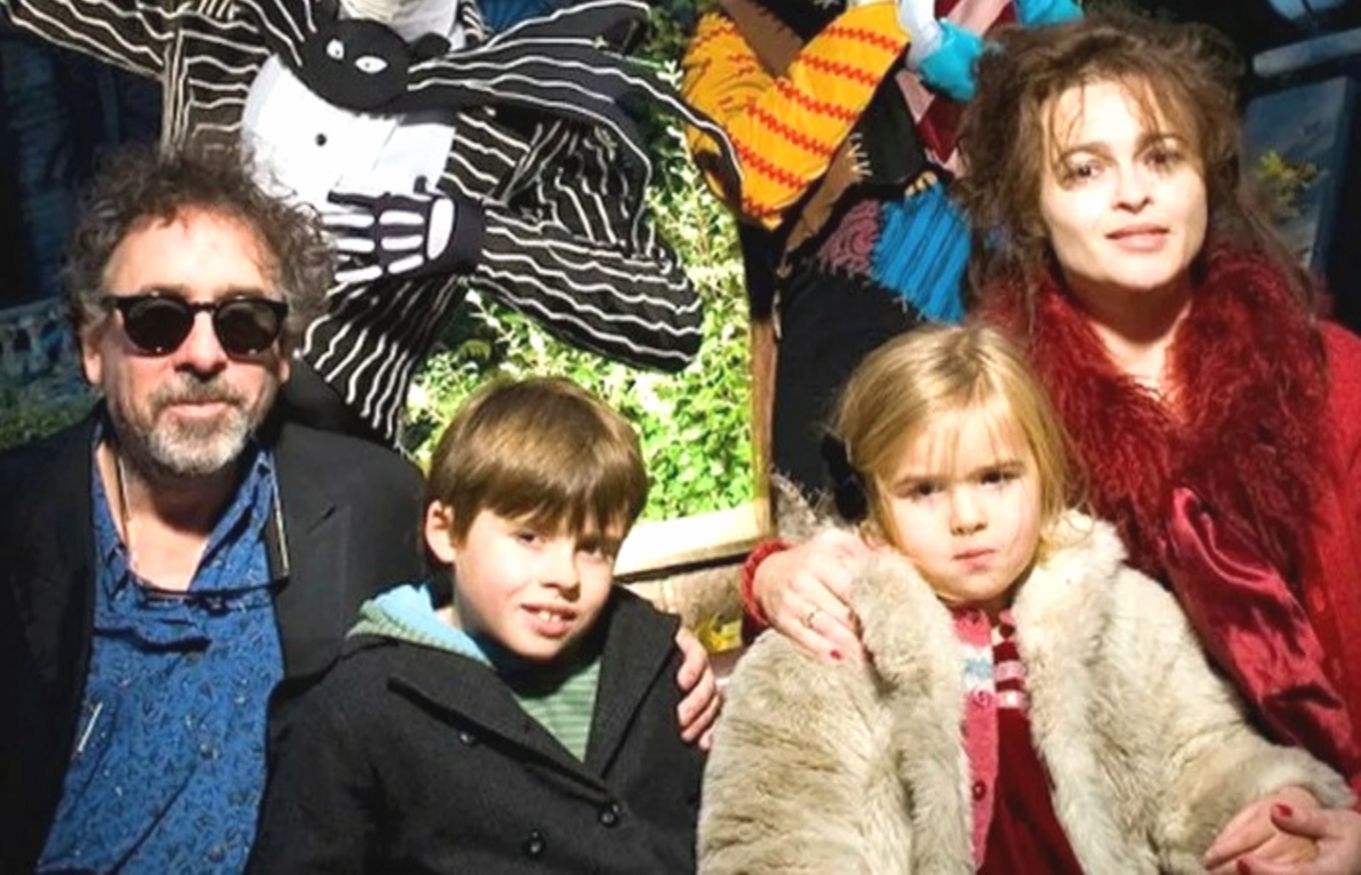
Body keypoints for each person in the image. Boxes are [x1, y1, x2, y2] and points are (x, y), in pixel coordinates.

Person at [742, 11, 1361, 871]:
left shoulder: (1327, 375)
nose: (1132, 193)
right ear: (1031, 203)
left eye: (1161, 158)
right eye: (1084, 168)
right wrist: (772, 574)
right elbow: (900, 532)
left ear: (1205, 181)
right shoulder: (997, 398)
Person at [0, 142, 717, 875]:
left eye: (243, 322)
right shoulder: (18, 519)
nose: (205, 354)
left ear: (283, 352)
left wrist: (645, 648)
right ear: (92, 346)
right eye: (159, 319)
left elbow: (493, 588)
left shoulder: (373, 500)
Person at [701, 324, 1353, 874]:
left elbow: (1202, 757)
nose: (967, 517)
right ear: (872, 498)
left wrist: (1272, 810)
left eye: (995, 478)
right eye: (924, 489)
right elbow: (774, 837)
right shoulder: (825, 641)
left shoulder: (1125, 612)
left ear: (1043, 474)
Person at [0, 0, 737, 444]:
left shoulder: (518, 108)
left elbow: (664, 318)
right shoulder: (229, 20)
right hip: (152, 439)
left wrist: (474, 237)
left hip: (330, 486)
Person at [248, 377, 704, 873]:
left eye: (593, 548)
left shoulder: (659, 669)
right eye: (530, 537)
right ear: (446, 532)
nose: (565, 576)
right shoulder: (357, 706)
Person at [681, 0, 1079, 497]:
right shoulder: (735, 30)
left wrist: (946, 49)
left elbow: (1090, 93)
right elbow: (751, 175)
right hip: (858, 327)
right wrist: (881, 20)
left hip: (1023, 311)